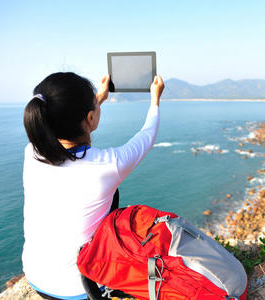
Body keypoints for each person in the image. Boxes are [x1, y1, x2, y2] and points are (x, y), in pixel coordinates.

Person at [22, 72, 164, 300]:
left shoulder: (33, 152)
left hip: (36, 277)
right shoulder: (107, 165)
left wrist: (98, 98)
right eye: (94, 108)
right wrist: (155, 100)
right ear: (89, 118)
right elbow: (147, 135)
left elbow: (63, 117)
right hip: (80, 288)